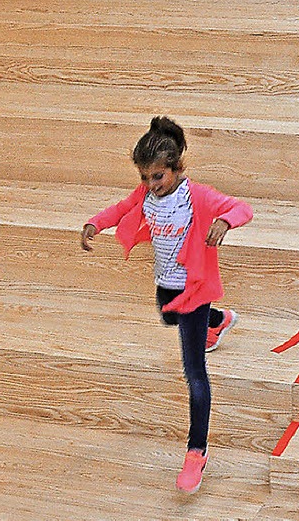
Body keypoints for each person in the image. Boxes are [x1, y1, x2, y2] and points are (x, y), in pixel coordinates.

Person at [80, 116, 252, 493]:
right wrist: (95, 224)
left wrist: (224, 222)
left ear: (176, 169)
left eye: (157, 177)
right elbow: (121, 210)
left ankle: (196, 451)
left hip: (194, 288)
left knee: (194, 374)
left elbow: (242, 208)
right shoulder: (144, 195)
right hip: (167, 287)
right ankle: (217, 321)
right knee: (167, 313)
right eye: (144, 178)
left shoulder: (198, 197)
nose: (150, 185)